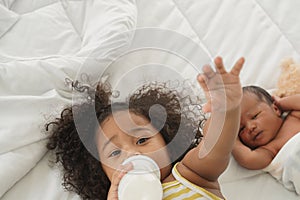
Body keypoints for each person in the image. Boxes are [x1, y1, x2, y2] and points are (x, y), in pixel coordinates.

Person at [46, 57, 244, 200]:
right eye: (115, 152)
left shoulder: (189, 175)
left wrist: (226, 110)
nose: (132, 153)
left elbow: (216, 146)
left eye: (142, 140)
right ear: (99, 172)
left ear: (166, 141)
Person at [232, 85, 300, 170]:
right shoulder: (268, 150)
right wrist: (231, 139)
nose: (250, 127)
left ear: (275, 109)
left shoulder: (294, 117)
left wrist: (282, 103)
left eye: (254, 116)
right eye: (241, 129)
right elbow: (249, 159)